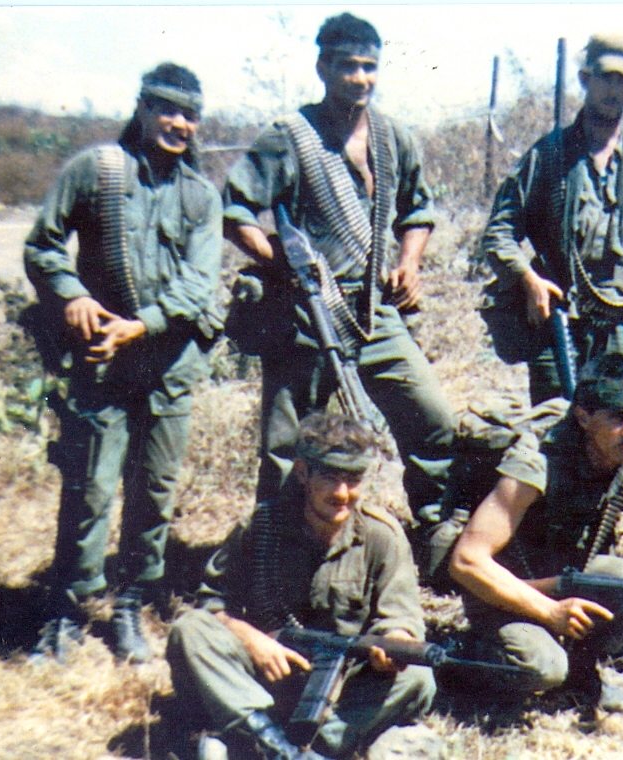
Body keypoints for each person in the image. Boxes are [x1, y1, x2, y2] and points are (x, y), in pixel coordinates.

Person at [222, 12, 453, 546]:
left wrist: (409, 262)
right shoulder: (289, 137)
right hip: (305, 314)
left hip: (373, 312)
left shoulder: (392, 137)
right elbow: (236, 211)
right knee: (288, 447)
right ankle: (277, 549)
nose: (360, 78)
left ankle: (437, 528)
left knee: (433, 418)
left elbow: (418, 210)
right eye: (348, 66)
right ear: (323, 66)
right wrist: (280, 261)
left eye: (369, 67)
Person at [24, 63, 224, 662]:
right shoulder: (96, 171)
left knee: (153, 493)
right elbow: (43, 244)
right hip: (99, 364)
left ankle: (130, 606)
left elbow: (198, 282)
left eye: (189, 114)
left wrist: (142, 324)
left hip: (166, 365)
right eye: (166, 109)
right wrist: (74, 296)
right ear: (141, 107)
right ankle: (66, 613)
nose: (178, 124)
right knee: (89, 489)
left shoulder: (200, 195)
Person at [449, 353, 623, 720]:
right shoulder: (537, 462)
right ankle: (458, 659)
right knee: (543, 668)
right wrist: (548, 611)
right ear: (583, 416)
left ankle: (581, 674)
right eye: (616, 417)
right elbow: (467, 561)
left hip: (566, 577)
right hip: (505, 590)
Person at [167, 412, 435, 760]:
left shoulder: (381, 536)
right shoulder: (263, 525)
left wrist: (394, 645)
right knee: (189, 630)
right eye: (330, 477)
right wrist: (254, 640)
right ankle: (276, 746)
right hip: (267, 677)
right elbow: (212, 605)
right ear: (302, 473)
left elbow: (401, 618)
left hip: (342, 686)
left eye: (354, 479)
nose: (343, 493)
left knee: (417, 677)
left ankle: (289, 747)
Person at [480, 33, 623, 406]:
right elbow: (499, 232)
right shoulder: (548, 155)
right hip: (559, 321)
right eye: (606, 77)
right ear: (585, 79)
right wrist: (527, 279)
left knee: (622, 430)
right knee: (557, 429)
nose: (615, 89)